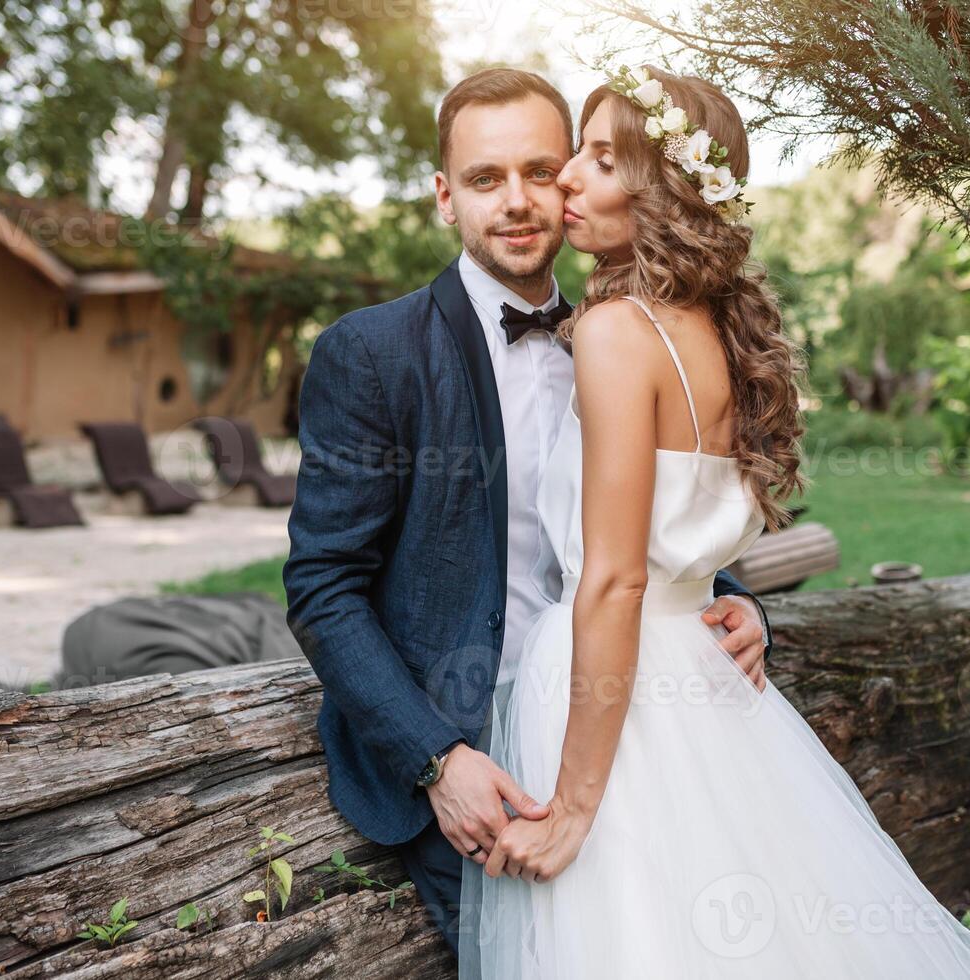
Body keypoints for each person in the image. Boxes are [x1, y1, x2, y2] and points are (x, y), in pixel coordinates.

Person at [455, 65, 970, 978]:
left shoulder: (613, 330)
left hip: (611, 695)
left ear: (664, 191)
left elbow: (616, 576)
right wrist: (735, 601)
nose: (566, 177)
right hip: (705, 686)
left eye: (601, 160)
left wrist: (572, 804)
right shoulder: (717, 332)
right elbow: (679, 541)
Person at [281, 66, 772, 954]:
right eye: (484, 179)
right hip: (473, 757)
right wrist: (434, 757)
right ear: (444, 196)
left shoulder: (626, 331)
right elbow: (322, 586)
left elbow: (633, 534)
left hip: (631, 732)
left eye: (542, 170)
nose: (517, 201)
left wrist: (737, 603)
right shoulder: (372, 354)